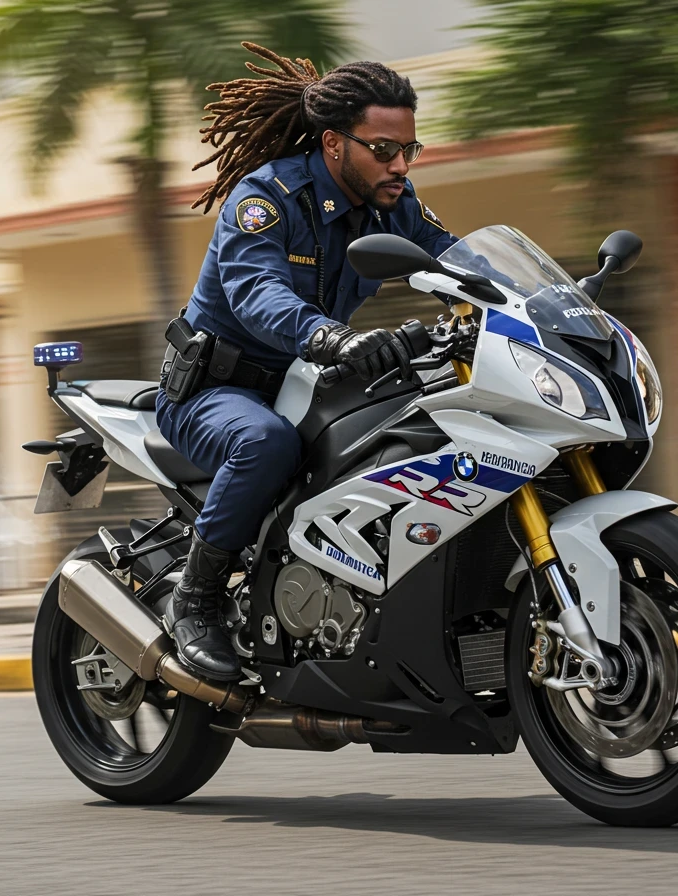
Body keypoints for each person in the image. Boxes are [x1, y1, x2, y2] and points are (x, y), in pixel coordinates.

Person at [157, 43, 458, 682]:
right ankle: (195, 598)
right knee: (266, 445)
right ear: (332, 145)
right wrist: (332, 340)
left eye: (409, 149)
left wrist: (543, 301)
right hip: (216, 392)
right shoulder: (267, 198)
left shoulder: (394, 201)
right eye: (383, 149)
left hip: (307, 385)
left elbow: (458, 262)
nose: (399, 164)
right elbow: (256, 292)